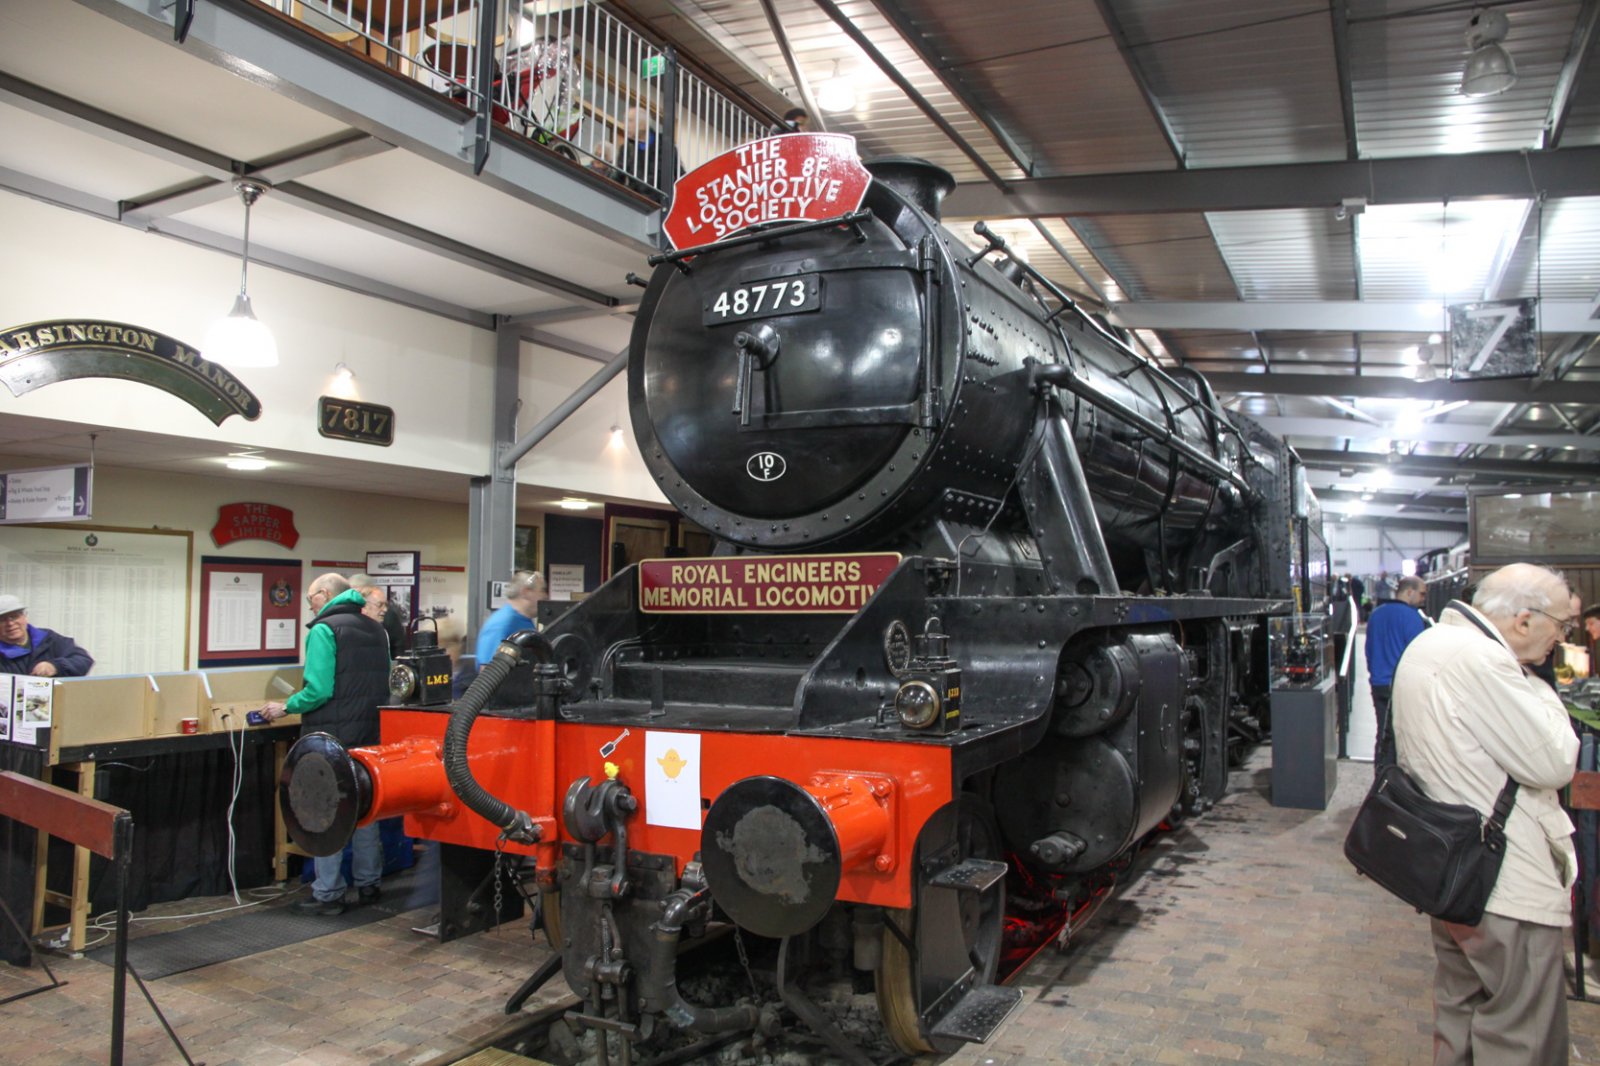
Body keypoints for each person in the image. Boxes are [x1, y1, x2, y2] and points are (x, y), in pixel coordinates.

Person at [1390, 563, 1579, 1066]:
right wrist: (1541, 686)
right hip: (1504, 879)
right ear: (1523, 620)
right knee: (1523, 1031)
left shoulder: (1431, 645)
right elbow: (1556, 761)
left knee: (1460, 1011)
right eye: (1559, 627)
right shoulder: (1483, 662)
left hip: (1452, 869)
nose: (1558, 643)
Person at [259, 574, 389, 916]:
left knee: (327, 814)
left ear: (326, 594)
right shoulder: (377, 630)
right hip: (370, 736)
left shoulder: (324, 630)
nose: (309, 604)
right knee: (365, 810)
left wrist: (284, 706)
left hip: (332, 740)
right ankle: (369, 883)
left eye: (312, 597)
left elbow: (318, 690)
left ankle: (328, 893)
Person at [1364, 574, 1428, 769]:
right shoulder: (1413, 618)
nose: (1423, 599)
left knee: (1382, 733)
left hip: (1378, 683)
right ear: (1410, 592)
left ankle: (1380, 778)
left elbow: (1369, 649)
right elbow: (1419, 653)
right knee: (1404, 735)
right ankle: (1396, 782)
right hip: (1401, 685)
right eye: (1422, 594)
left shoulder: (1376, 614)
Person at [0, 594, 93, 677]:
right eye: (2, 620)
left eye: (15, 616)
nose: (10, 623)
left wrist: (55, 666)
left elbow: (83, 659)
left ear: (24, 617)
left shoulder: (48, 639)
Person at [476, 571, 546, 670]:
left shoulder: (525, 621)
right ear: (526, 592)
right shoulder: (502, 624)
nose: (544, 596)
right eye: (541, 591)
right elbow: (487, 674)